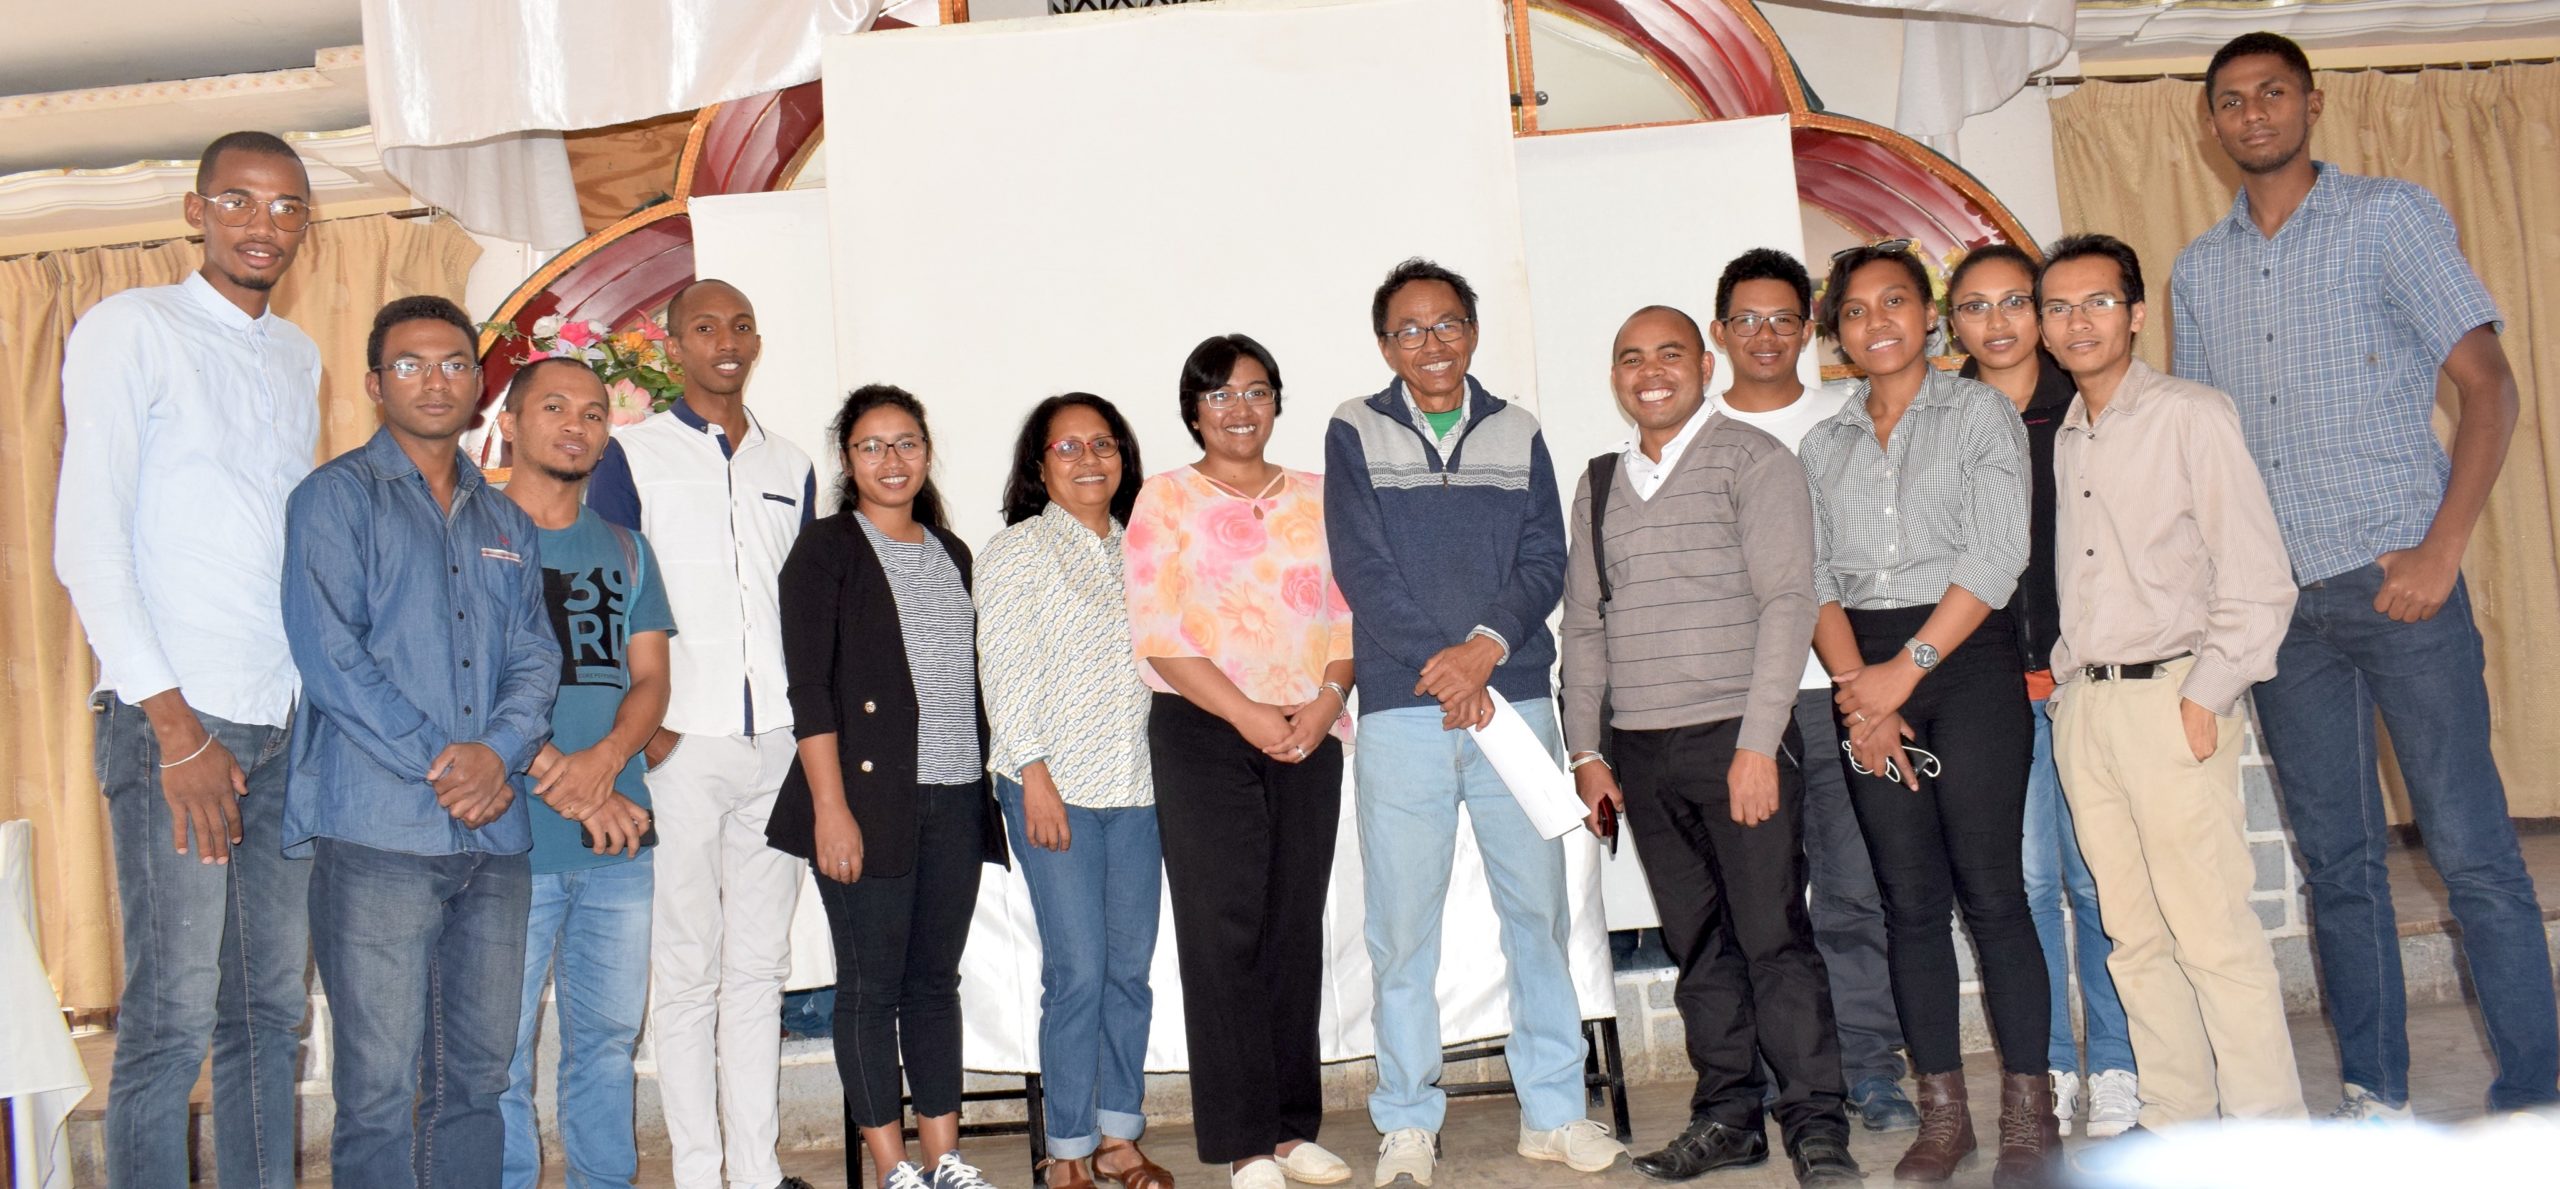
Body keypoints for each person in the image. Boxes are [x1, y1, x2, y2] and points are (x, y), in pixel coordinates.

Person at [2172, 30, 2558, 1119]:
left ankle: (2535, 1092)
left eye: (2272, 93)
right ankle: (2374, 1093)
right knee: (2338, 865)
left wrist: (2442, 548)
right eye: (2232, 99)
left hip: (2401, 587)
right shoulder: (2197, 269)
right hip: (2283, 611)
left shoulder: (2390, 217)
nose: (2253, 113)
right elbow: (2205, 451)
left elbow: (2489, 385)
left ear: (2312, 104)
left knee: (2470, 848)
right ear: (2212, 122)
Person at [53, 129, 320, 1189]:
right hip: (176, 721)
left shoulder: (296, 354)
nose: (265, 224)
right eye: (240, 200)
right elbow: (87, 541)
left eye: (288, 207)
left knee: (269, 1013)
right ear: (195, 210)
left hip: (282, 721)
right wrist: (175, 730)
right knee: (169, 1015)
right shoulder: (131, 327)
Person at [1324, 258, 1626, 1187]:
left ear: (1473, 331)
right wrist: (1444, 667)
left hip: (1515, 699)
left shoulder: (1518, 428)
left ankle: (1554, 1111)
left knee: (1537, 915)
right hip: (1404, 710)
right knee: (1400, 931)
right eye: (1410, 329)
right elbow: (1361, 566)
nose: (1432, 342)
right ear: (1386, 345)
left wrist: (1484, 651)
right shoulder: (1354, 428)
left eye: (1448, 323)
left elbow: (1545, 558)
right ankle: (1408, 1121)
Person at [1561, 305, 1861, 1189]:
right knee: (1698, 945)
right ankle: (1728, 1116)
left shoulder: (1754, 461)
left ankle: (1816, 1123)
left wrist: (1759, 743)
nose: (1650, 371)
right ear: (1615, 377)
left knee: (1773, 938)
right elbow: (1585, 625)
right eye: (1631, 358)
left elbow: (1788, 602)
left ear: (1703, 362)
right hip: (1641, 751)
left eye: (1669, 354)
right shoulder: (1599, 482)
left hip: (1738, 739)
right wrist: (1587, 752)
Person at [281, 295, 558, 1186]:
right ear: (375, 384)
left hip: (495, 839)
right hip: (378, 835)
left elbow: (536, 658)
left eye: (453, 364)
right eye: (410, 364)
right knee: (376, 1090)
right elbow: (332, 657)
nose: (434, 381)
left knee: (477, 1081)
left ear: (478, 384)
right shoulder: (333, 499)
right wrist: (449, 764)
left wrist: (497, 753)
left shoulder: (508, 522)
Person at [2039, 232, 2309, 1129]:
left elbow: (2259, 573)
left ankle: (2269, 1131)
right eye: (2058, 307)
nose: (2077, 321)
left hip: (2173, 694)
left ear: (2136, 314)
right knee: (2134, 935)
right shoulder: (2069, 435)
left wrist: (2208, 691)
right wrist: (2070, 698)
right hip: (2088, 708)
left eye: (2097, 302)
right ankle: (2178, 1119)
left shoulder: (2192, 414)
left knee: (2212, 929)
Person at [1801, 241, 2053, 1187]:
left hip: (1966, 660)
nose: (1877, 322)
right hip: (1862, 673)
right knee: (1909, 902)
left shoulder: (1981, 411)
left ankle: (2030, 1112)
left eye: (1895, 301)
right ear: (1837, 332)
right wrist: (1859, 695)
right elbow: (1813, 579)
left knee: (1992, 892)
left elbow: (1996, 555)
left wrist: (1899, 677)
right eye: (1856, 310)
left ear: (1928, 315)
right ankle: (1945, 1117)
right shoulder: (1820, 446)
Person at [588, 278, 821, 1187]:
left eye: (741, 325)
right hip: (680, 741)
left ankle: (756, 1170)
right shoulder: (632, 454)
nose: (726, 340)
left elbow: (803, 607)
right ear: (674, 344)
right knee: (686, 968)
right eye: (705, 327)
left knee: (760, 968)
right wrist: (642, 726)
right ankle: (697, 1169)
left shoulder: (790, 463)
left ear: (756, 341)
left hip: (779, 745)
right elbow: (608, 592)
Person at [768, 385, 1011, 1189]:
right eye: (871, 446)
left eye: (906, 442)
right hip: (866, 803)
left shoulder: (952, 551)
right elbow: (810, 691)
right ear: (848, 459)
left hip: (954, 795)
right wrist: (830, 809)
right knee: (870, 987)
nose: (891, 459)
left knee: (934, 983)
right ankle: (891, 1165)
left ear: (927, 452)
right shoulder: (825, 550)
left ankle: (945, 1159)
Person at [1126, 335, 1356, 1189]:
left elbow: (1348, 616)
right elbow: (1158, 632)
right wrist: (1247, 712)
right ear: (1194, 410)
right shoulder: (1165, 498)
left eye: (1256, 391)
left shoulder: (1321, 495)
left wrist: (1326, 702)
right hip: (1203, 731)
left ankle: (1293, 1130)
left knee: (1293, 926)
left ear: (1277, 401)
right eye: (1219, 394)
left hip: (1308, 729)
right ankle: (1245, 1142)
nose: (1239, 408)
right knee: (1223, 932)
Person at [1701, 248, 1921, 1135]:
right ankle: (1776, 1071)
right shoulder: (1695, 429)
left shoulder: (1849, 414)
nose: (1764, 335)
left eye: (1783, 319)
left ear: (1810, 330)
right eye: (1746, 320)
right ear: (1719, 331)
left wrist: (1874, 688)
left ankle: (1869, 1064)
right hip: (1738, 704)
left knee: (1854, 889)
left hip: (1842, 691)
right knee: (1758, 905)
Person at [1946, 244, 2140, 1138]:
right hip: (1990, 689)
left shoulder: (2085, 406)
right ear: (1953, 323)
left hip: (2082, 680)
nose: (1997, 322)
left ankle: (2119, 1064)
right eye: (1975, 305)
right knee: (2024, 885)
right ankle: (2051, 1064)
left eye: (2015, 301)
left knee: (2098, 881)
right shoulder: (1943, 420)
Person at [978, 394, 1174, 1189]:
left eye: (1104, 444)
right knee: (1079, 971)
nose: (1089, 459)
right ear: (1039, 464)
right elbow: (1004, 671)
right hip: (1051, 786)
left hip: (1140, 788)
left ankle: (1119, 1138)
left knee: (1130, 971)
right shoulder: (1016, 552)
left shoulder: (1146, 551)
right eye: (1069, 446)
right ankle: (1065, 1151)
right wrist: (1032, 775)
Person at [493, 359, 676, 1188]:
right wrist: (563, 778)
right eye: (555, 406)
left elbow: (651, 681)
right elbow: (460, 682)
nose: (576, 424)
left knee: (606, 1045)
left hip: (617, 841)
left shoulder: (627, 550)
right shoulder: (469, 537)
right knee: (498, 1054)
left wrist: (602, 765)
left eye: (595, 413)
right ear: (509, 423)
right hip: (508, 842)